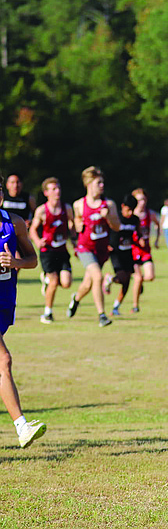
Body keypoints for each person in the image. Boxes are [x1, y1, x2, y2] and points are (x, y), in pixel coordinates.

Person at [0, 176, 47, 447]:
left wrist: (15, 261)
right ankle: (22, 427)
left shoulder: (14, 223)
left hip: (4, 302)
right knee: (4, 360)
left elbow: (32, 260)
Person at [67, 166, 121, 327]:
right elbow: (75, 222)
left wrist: (109, 217)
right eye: (99, 182)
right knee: (98, 277)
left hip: (102, 250)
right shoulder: (79, 204)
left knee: (88, 284)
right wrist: (77, 224)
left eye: (103, 182)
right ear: (89, 184)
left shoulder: (109, 204)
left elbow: (117, 227)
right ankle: (102, 315)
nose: (102, 185)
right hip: (85, 248)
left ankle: (75, 299)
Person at [29, 178, 74, 324]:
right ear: (46, 192)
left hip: (62, 251)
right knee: (54, 281)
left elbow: (72, 223)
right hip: (47, 251)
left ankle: (47, 281)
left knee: (66, 283)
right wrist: (37, 240)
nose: (57, 191)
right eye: (53, 189)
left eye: (58, 188)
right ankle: (47, 313)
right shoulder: (42, 210)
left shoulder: (66, 208)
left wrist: (74, 238)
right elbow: (33, 229)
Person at [103, 194, 138, 316]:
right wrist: (106, 243)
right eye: (128, 210)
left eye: (132, 210)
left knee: (126, 282)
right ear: (123, 206)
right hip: (116, 252)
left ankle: (116, 307)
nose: (130, 213)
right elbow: (106, 229)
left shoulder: (135, 220)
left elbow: (136, 235)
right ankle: (109, 278)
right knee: (122, 277)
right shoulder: (115, 217)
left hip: (128, 253)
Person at [129, 189, 160, 313]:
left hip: (146, 250)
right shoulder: (131, 215)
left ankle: (137, 282)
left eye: (143, 199)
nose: (142, 202)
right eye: (139, 200)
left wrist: (156, 240)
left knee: (150, 276)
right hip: (133, 250)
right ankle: (135, 306)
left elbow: (158, 224)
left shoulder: (150, 213)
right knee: (138, 278)